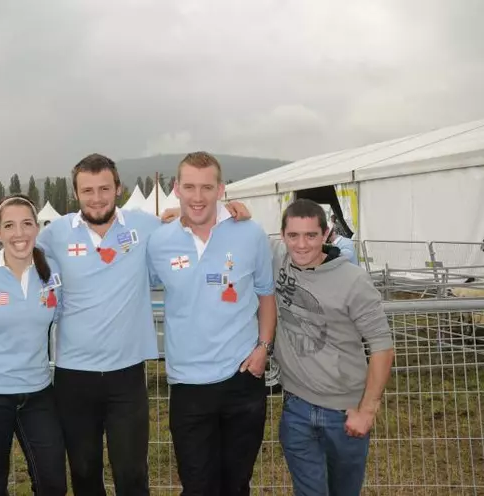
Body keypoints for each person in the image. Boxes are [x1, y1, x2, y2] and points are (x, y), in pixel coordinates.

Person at [146, 151, 277, 496]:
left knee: (236, 485)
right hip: (187, 384)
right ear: (176, 188)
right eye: (189, 186)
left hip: (242, 378)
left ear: (221, 190)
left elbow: (266, 294)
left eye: (206, 187)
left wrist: (264, 347)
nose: (197, 196)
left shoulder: (250, 233)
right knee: (198, 486)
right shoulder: (159, 240)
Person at [36, 154, 161, 495]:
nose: (97, 197)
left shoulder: (145, 226)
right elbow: (14, 258)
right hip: (74, 376)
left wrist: (228, 212)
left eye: (104, 188)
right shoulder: (55, 234)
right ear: (75, 193)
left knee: (132, 473)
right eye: (87, 190)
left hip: (127, 374)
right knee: (84, 471)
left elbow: (192, 222)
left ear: (118, 189)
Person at [274, 199, 394, 496]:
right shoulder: (277, 258)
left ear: (326, 234)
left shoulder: (353, 280)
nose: (301, 245)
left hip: (344, 411)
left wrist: (368, 409)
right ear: (281, 236)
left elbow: (382, 345)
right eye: (293, 236)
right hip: (296, 408)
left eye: (311, 235)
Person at [0, 194, 67, 496]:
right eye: (9, 225)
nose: (19, 233)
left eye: (26, 224)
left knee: (53, 482)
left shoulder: (53, 272)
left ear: (37, 228)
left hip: (37, 391)